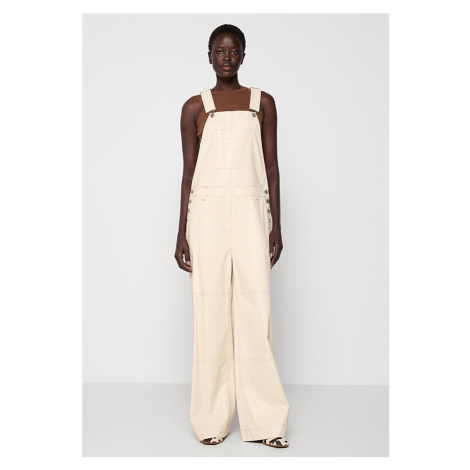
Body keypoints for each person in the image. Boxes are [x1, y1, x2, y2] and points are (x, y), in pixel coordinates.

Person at [174, 24, 289, 449]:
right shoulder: (194, 107)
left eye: (233, 50)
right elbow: (188, 174)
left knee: (256, 311)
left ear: (243, 55)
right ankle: (211, 420)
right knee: (210, 313)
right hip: (205, 215)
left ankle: (267, 423)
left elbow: (272, 168)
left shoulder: (263, 103)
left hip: (250, 212)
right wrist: (181, 232)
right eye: (219, 51)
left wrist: (277, 224)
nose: (226, 57)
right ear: (208, 56)